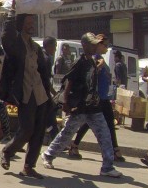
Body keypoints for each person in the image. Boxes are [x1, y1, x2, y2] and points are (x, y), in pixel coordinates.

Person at [42, 33, 123, 178]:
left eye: (95, 44)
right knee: (66, 134)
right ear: (84, 45)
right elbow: (69, 83)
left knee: (105, 135)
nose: (94, 46)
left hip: (93, 107)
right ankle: (48, 155)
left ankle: (107, 167)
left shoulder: (92, 61)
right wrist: (66, 102)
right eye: (92, 44)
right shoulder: (79, 63)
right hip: (80, 107)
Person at [0, 0, 53, 179]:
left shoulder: (35, 47)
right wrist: (12, 11)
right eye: (28, 21)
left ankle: (29, 166)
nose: (32, 24)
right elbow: (6, 36)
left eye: (32, 21)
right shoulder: (15, 44)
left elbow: (42, 72)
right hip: (25, 94)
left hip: (41, 95)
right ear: (20, 24)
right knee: (26, 129)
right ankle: (7, 151)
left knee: (38, 132)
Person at [68, 36, 124, 162]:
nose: (106, 48)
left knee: (96, 122)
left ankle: (75, 145)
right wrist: (99, 67)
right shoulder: (94, 59)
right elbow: (90, 76)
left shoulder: (101, 58)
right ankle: (113, 151)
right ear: (98, 45)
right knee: (99, 122)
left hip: (103, 96)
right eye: (104, 45)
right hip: (96, 97)